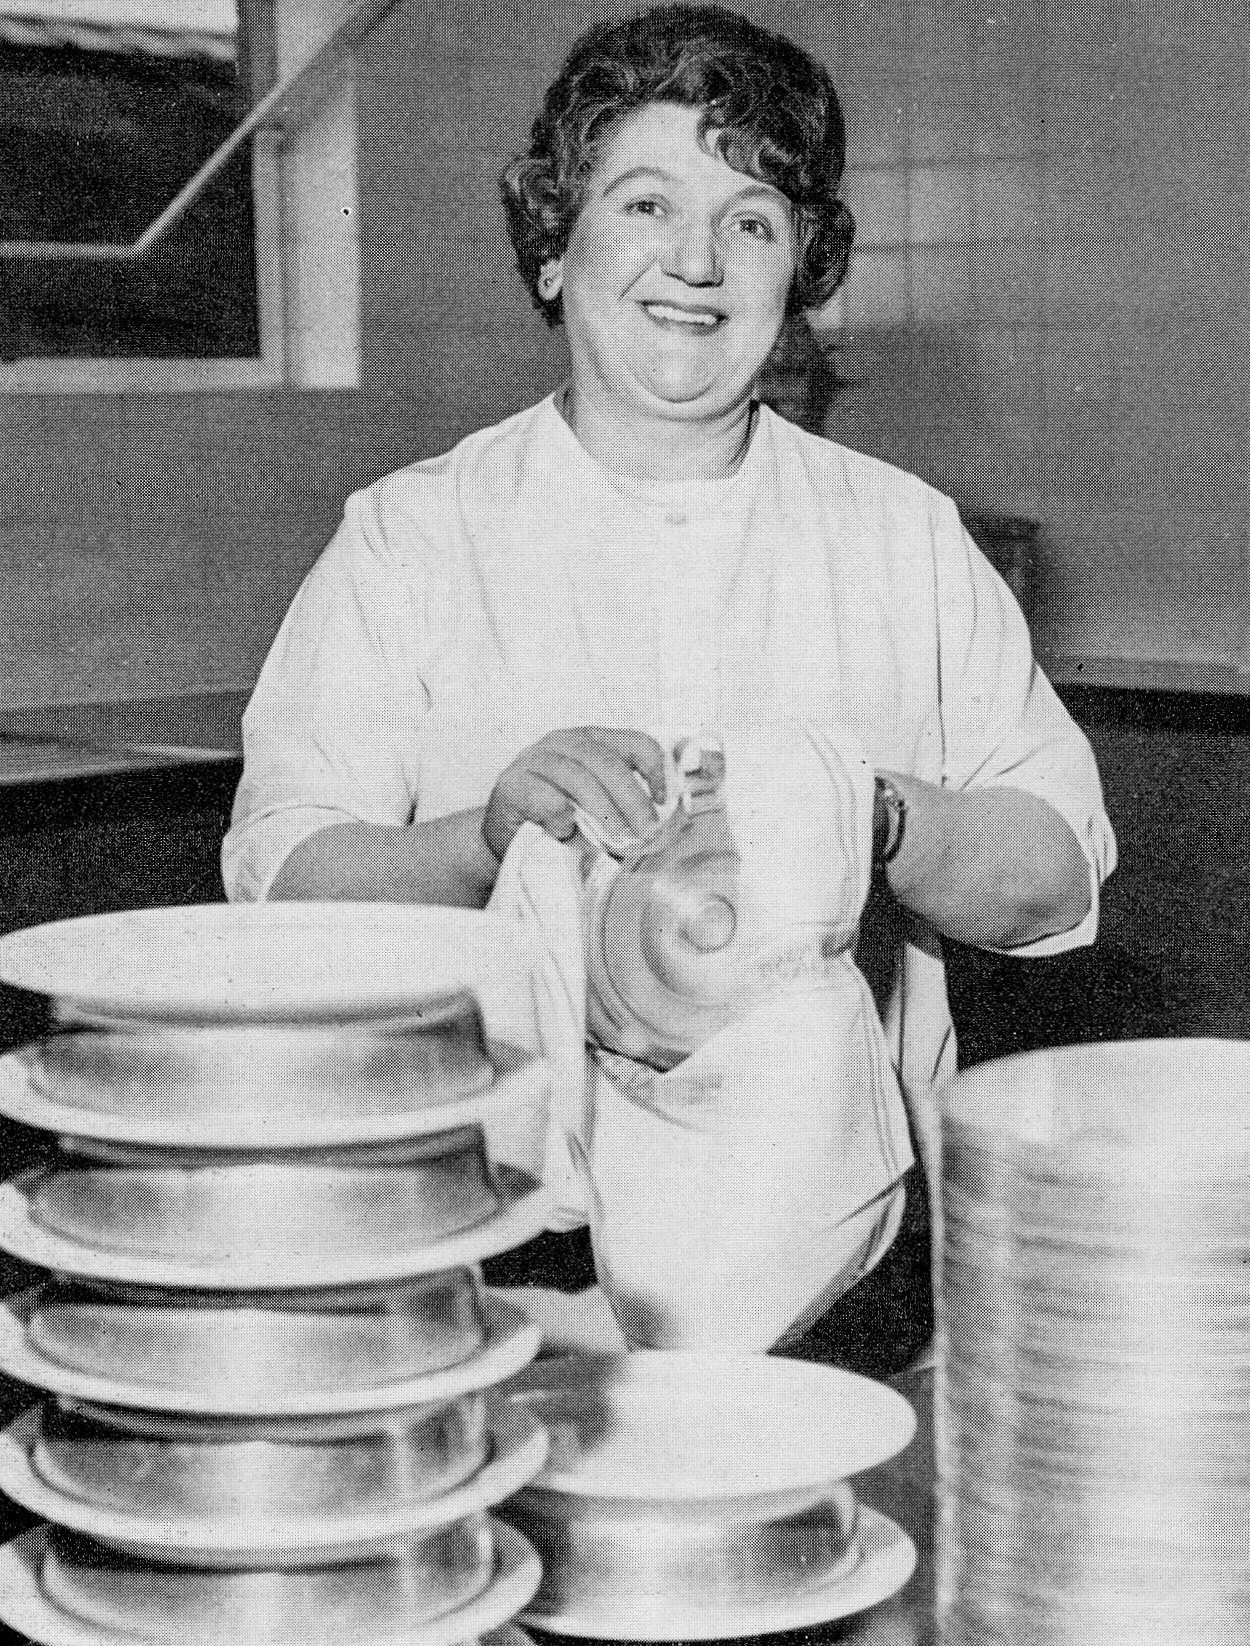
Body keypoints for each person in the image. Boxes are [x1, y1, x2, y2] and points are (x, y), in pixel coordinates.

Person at [223, 4, 1114, 1356]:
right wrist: (485, 833)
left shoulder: (898, 535)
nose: (694, 260)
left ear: (800, 268)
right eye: (644, 203)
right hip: (494, 1256)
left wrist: (874, 813)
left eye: (752, 219)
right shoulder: (414, 534)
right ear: (551, 247)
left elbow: (1053, 878)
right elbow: (283, 879)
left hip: (834, 1272)